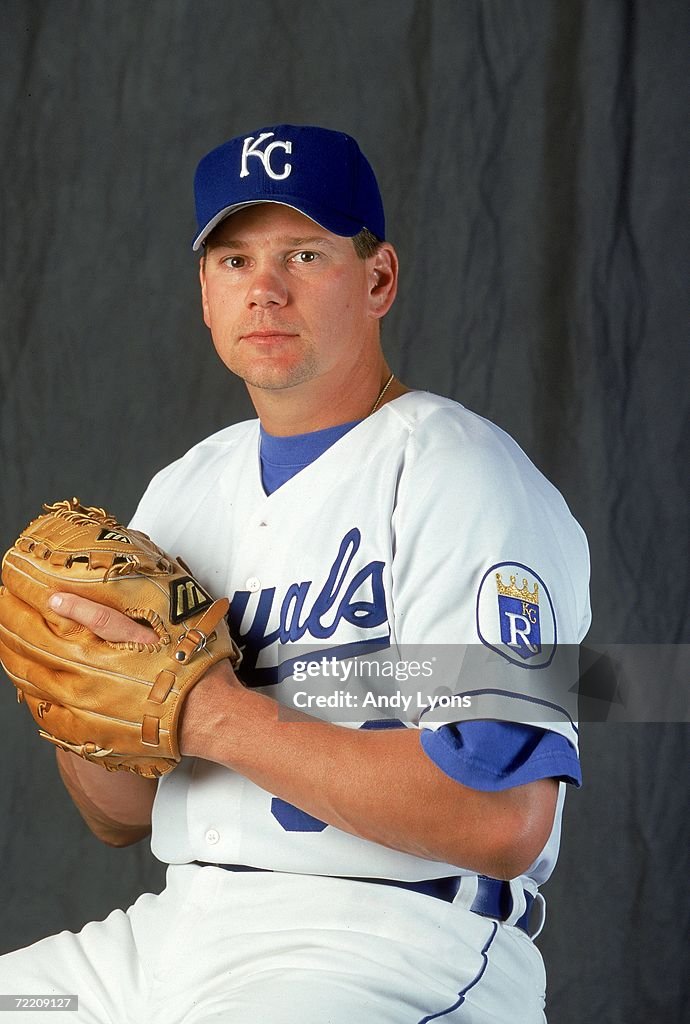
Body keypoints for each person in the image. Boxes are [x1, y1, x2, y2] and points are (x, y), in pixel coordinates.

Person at [0, 124, 590, 1023]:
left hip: (382, 945)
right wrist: (74, 698)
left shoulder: (463, 475)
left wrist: (210, 713)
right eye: (234, 263)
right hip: (174, 937)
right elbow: (119, 816)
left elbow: (501, 818)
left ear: (378, 277)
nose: (264, 290)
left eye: (303, 253)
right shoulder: (182, 488)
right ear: (205, 293)